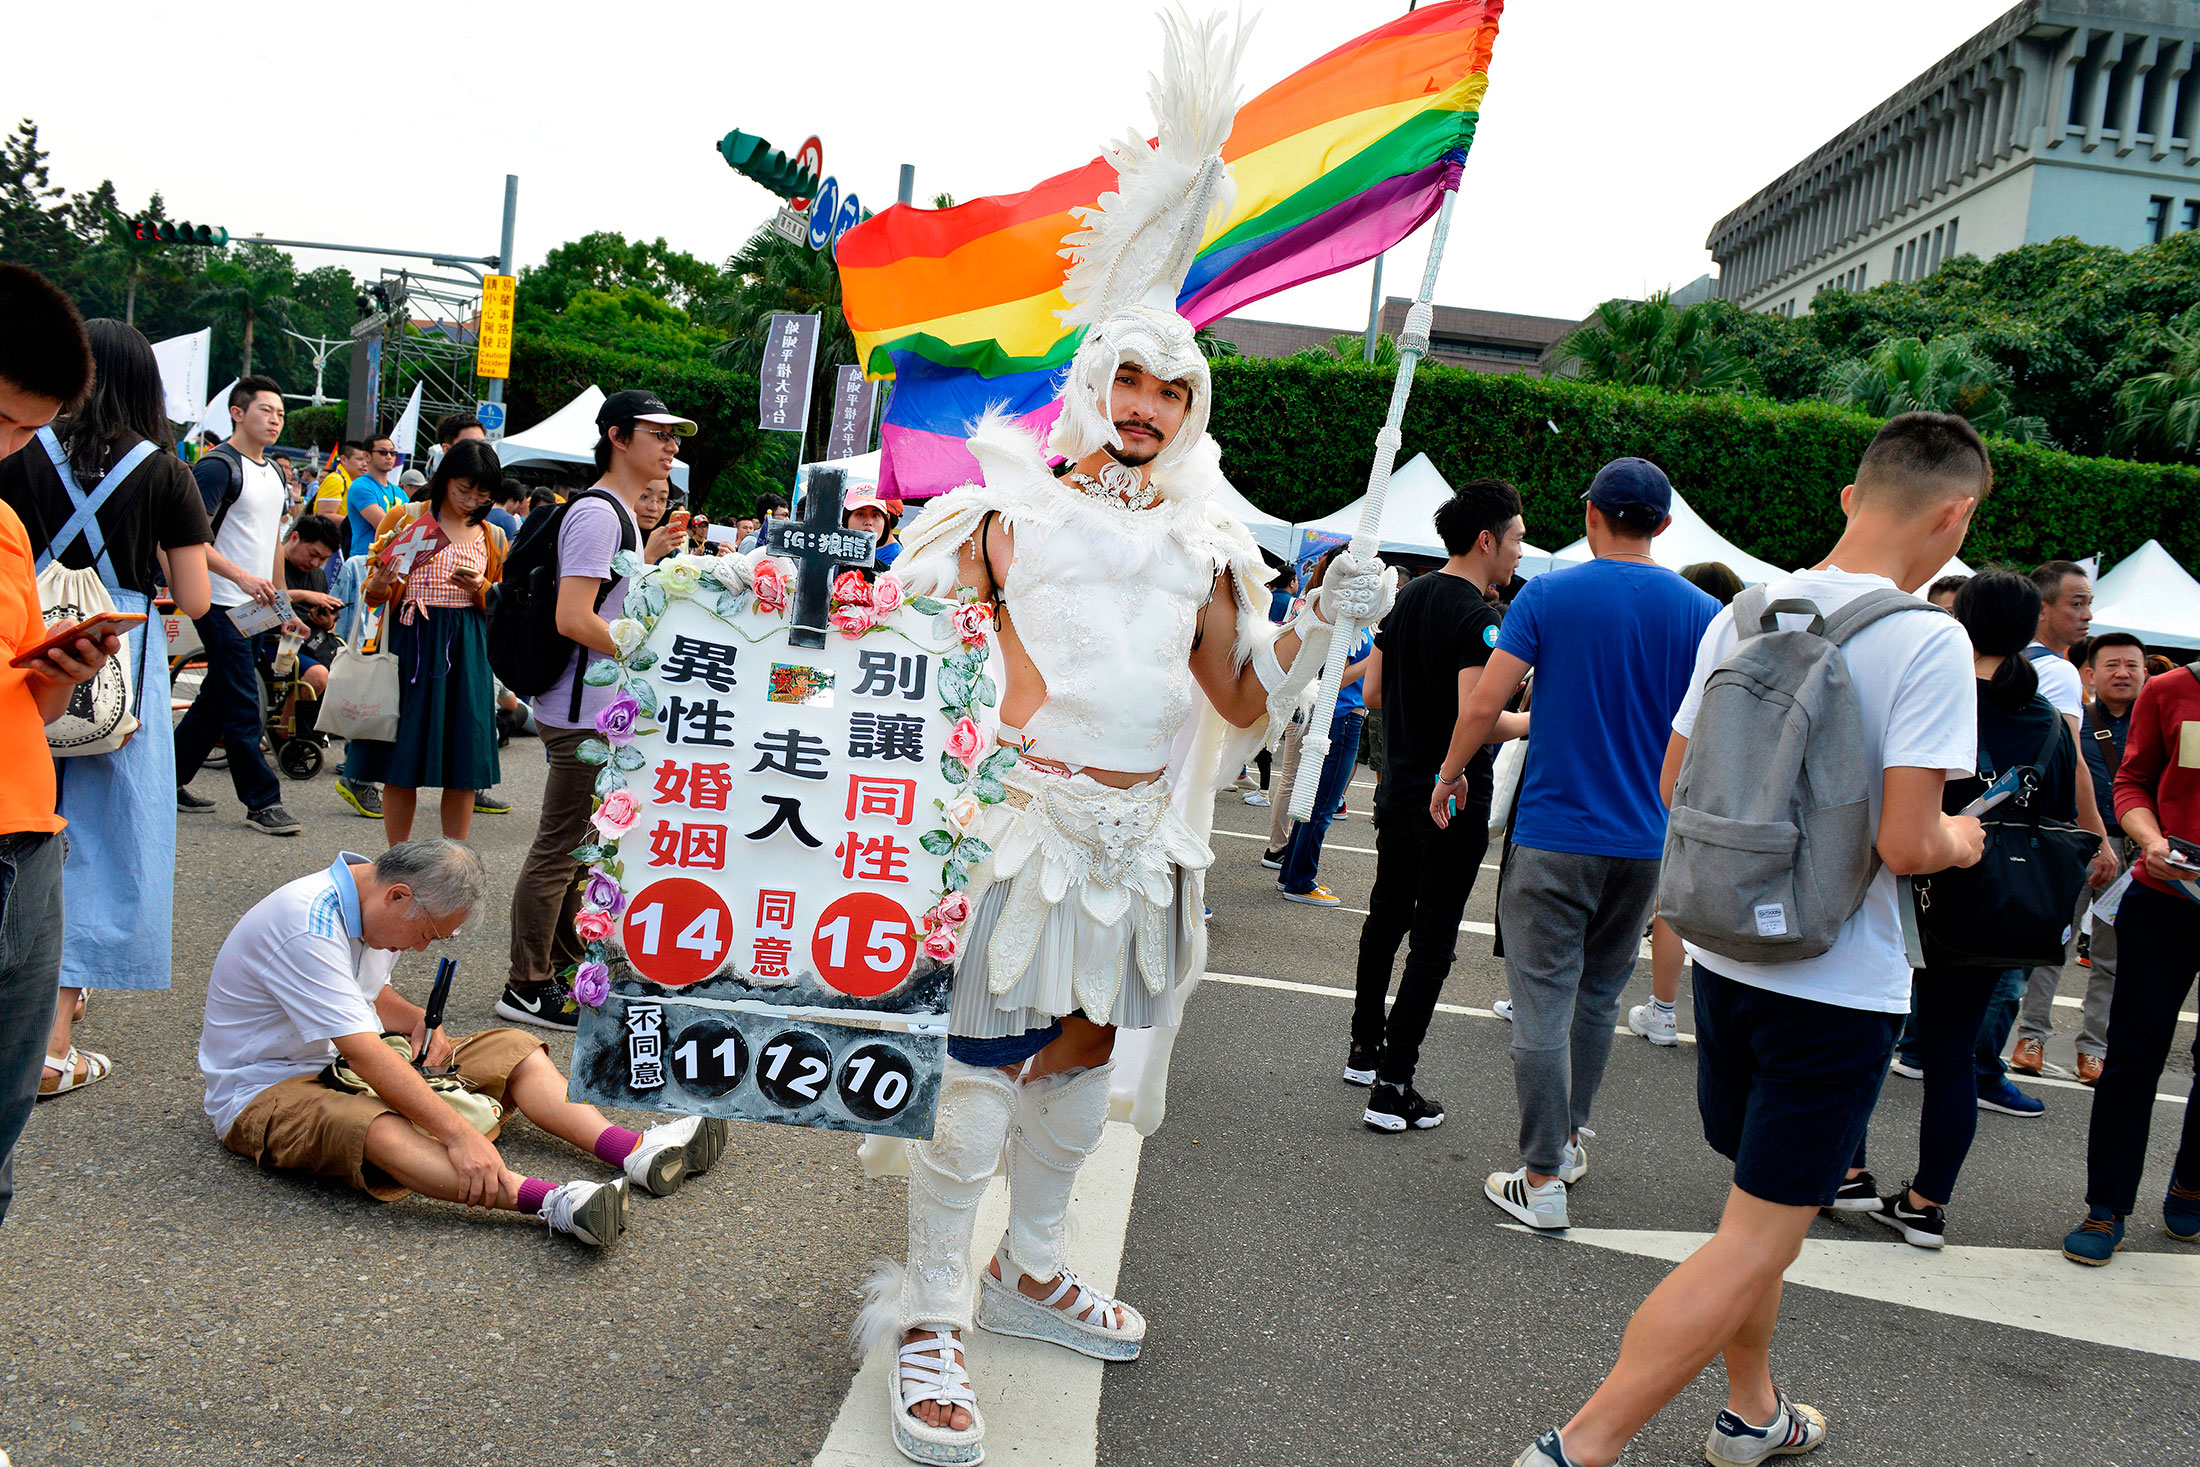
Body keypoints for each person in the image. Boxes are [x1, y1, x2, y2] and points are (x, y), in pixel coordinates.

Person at [866, 27, 1389, 1463]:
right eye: (1132, 378)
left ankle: (1029, 1268)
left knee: (1083, 1078)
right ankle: (927, 1316)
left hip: (1138, 842)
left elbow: (1235, 700)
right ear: (1092, 382)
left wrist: (1319, 631)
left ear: (1193, 408)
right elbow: (922, 654)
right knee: (972, 1089)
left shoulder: (1215, 544)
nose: (1151, 404)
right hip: (1017, 831)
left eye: (1176, 387)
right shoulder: (1002, 510)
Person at [1508, 411, 1990, 1467]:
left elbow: (1678, 781)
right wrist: (1966, 838)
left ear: (1848, 496)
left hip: (1723, 954)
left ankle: (1751, 1412)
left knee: (1754, 1214)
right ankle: (1581, 1446)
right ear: (1955, 516)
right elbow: (1908, 841)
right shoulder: (1927, 637)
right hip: (1836, 982)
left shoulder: (1744, 613)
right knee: (1753, 1237)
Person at [200, 838, 730, 1248]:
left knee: (514, 1048)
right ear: (399, 894)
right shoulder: (306, 926)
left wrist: (412, 1020)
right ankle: (554, 1203)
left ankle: (631, 1151)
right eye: (429, 933)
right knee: (373, 1128)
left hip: (351, 1056)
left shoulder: (370, 903)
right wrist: (457, 1134)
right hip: (268, 1087)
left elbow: (366, 990)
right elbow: (363, 1051)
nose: (426, 945)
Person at [1447, 458, 1718, 1232]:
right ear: (1664, 524)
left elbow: (1484, 704)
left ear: (1591, 513)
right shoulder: (1702, 611)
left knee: (1541, 1001)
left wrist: (1449, 775)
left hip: (1557, 830)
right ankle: (1566, 1143)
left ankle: (1540, 1176)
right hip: (1646, 837)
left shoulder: (1551, 594)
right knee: (1599, 998)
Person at [1858, 570, 2113, 1250]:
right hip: (1995, 907)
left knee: (1865, 1039)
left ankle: (1847, 1170)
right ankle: (1924, 1204)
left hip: (1905, 889)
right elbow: (2062, 808)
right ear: (2031, 627)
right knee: (1951, 1059)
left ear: (1959, 618)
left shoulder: (1936, 695)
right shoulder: (2047, 719)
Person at [0, 317, 208, 1103]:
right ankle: (51, 1043)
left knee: (17, 822)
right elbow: (191, 596)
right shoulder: (163, 471)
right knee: (97, 842)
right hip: (112, 665)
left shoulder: (22, 449)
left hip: (20, 647)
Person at [498, 390, 690, 1032]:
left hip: (597, 709)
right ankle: (526, 986)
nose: (670, 445)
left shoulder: (621, 516)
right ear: (617, 436)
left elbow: (605, 602)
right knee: (561, 849)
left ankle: (559, 971)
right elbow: (573, 618)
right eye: (657, 433)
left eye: (674, 436)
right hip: (584, 712)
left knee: (581, 849)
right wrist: (643, 659)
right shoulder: (600, 514)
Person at [0, 260, 124, 1221]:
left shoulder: (5, 525)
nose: (8, 447)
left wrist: (59, 670)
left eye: (27, 432)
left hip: (29, 833)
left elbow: (25, 707)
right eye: (2, 419)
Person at [1345, 480, 1526, 1131]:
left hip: (1396, 786)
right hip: (1451, 793)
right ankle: (1394, 1086)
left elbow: (1370, 692)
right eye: (1516, 539)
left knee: (1385, 917)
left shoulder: (1408, 597)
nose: (1518, 552)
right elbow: (1475, 713)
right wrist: (1530, 722)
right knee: (1432, 942)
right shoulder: (1478, 617)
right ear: (1487, 539)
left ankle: (1365, 1049)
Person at [2061, 622, 2200, 1264]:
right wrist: (2150, 840)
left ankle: (2192, 1181)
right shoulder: (2170, 691)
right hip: (2165, 895)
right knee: (2133, 1058)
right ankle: (2105, 1205)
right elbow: (2133, 782)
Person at [348, 439, 508, 845]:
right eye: (463, 490)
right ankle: (396, 853)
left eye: (482, 496)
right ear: (444, 479)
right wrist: (381, 584)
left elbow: (499, 601)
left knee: (465, 764)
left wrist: (481, 587)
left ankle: (454, 857)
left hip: (468, 647)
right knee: (402, 759)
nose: (471, 502)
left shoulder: (492, 535)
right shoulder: (405, 518)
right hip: (410, 639)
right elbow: (372, 594)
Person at [175, 377, 311, 836]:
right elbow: (188, 537)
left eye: (280, 414)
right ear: (237, 412)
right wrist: (239, 577)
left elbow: (271, 541)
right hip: (217, 600)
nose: (275, 420)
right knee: (241, 701)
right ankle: (262, 801)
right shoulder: (217, 467)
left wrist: (282, 601)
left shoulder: (273, 472)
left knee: (218, 697)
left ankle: (168, 779)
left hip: (255, 606)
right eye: (265, 411)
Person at [2012, 629, 2147, 1085]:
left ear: (2146, 672)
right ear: (2089, 674)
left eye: (2132, 665)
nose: (2123, 673)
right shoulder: (2073, 719)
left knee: (2111, 956)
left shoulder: (2157, 724)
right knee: (2052, 946)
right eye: (2111, 665)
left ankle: (2094, 1049)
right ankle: (2031, 1038)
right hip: (2075, 846)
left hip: (2134, 856)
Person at [1633, 560, 1743, 1047]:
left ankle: (1661, 1010)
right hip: (1726, 790)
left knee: (1668, 905)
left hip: (1665, 783)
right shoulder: (1742, 646)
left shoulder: (1674, 642)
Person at [1274, 550, 1375, 908]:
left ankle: (1292, 872)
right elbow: (1334, 677)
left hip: (1333, 714)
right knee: (1323, 803)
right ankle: (1300, 879)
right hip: (1341, 716)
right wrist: (1372, 663)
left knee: (1313, 799)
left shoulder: (1341, 616)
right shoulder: (1348, 623)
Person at [344, 434, 404, 552]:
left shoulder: (399, 491)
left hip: (392, 558)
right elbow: (384, 525)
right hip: (365, 559)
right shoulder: (360, 486)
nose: (389, 457)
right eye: (383, 452)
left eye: (392, 453)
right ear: (367, 456)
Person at [845, 488, 901, 567]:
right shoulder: (830, 562)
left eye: (875, 515)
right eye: (860, 514)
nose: (869, 522)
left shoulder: (887, 571)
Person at [312, 439, 364, 524]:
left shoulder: (354, 482)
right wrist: (360, 524)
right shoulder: (336, 480)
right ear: (343, 459)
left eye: (367, 460)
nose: (365, 464)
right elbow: (324, 515)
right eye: (360, 459)